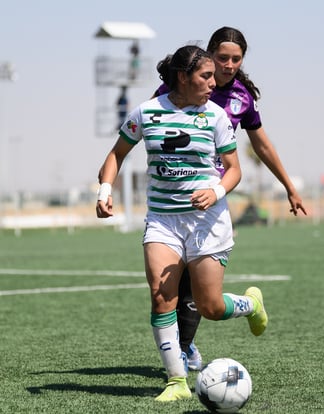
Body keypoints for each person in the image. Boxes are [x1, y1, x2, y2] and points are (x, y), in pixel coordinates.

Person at [96, 45, 268, 402]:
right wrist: (104, 188)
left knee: (211, 307)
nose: (213, 81)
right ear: (182, 77)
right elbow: (116, 154)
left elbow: (234, 169)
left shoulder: (217, 116)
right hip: (162, 221)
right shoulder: (147, 113)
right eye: (205, 76)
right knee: (162, 298)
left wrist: (217, 190)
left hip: (208, 222)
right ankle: (177, 382)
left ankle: (251, 304)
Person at [154, 26, 307, 371]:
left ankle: (185, 346)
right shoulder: (175, 88)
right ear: (208, 56)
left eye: (236, 59)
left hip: (210, 199)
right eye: (222, 58)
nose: (229, 65)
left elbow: (262, 144)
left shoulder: (240, 98)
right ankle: (185, 347)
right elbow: (153, 123)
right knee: (170, 282)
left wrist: (289, 186)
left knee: (193, 284)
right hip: (173, 199)